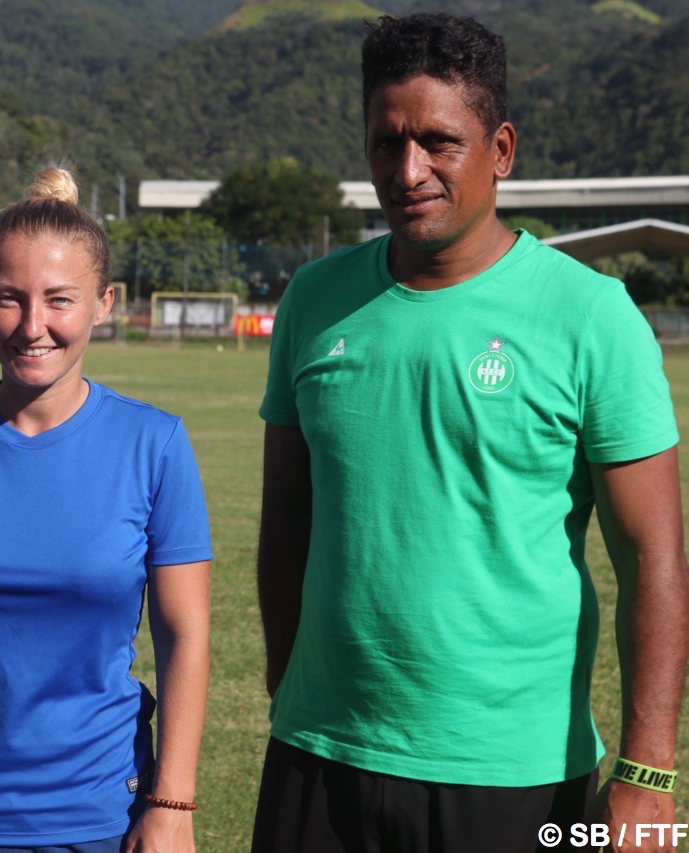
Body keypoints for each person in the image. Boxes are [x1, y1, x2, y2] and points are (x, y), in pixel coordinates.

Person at [252, 13, 688, 853]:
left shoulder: (590, 315)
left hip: (512, 771)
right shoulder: (314, 299)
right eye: (387, 142)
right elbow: (288, 521)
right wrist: (285, 681)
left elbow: (653, 557)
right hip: (320, 751)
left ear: (502, 149)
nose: (408, 170)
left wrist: (649, 771)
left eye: (439, 143)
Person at [0, 166, 213, 852]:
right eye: (8, 299)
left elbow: (185, 635)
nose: (32, 326)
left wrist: (172, 801)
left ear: (104, 302)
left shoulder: (154, 443)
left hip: (99, 815)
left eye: (59, 299)